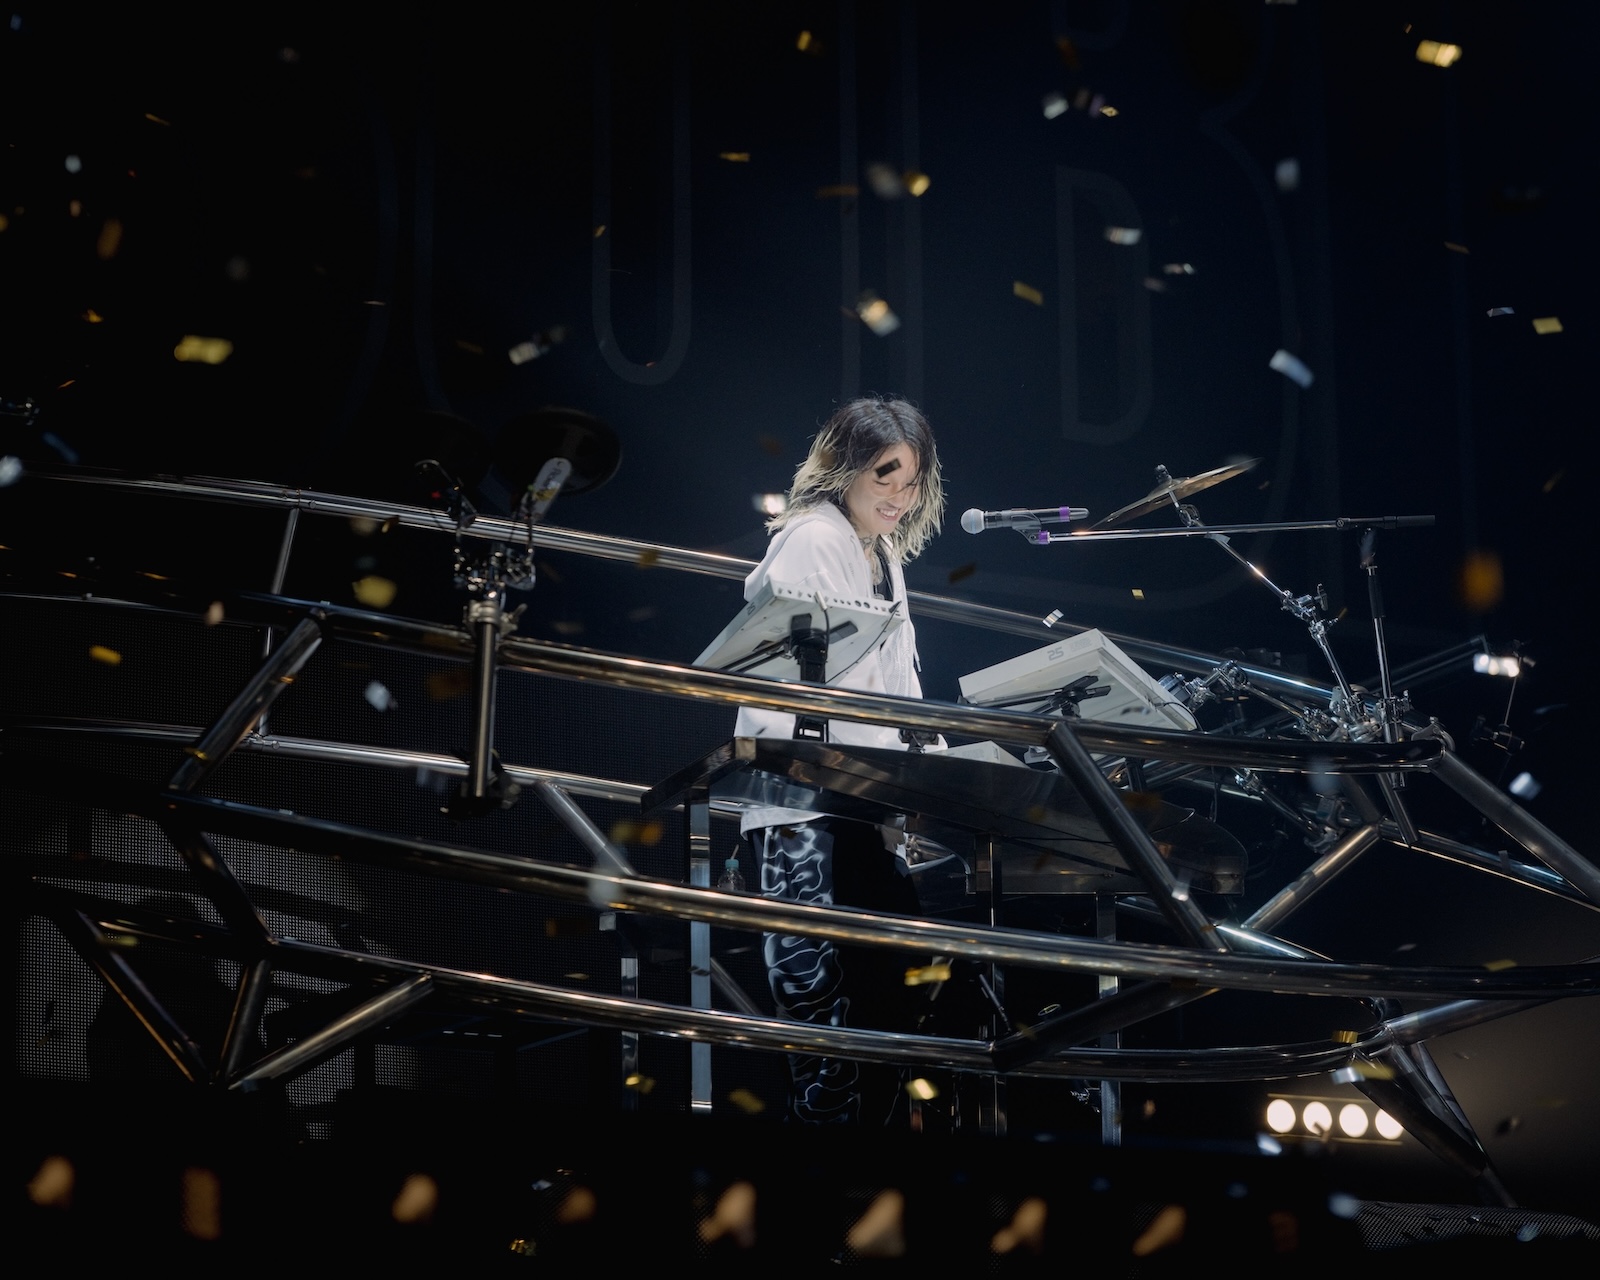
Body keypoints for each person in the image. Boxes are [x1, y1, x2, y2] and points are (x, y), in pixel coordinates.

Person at [731, 395, 947, 1127]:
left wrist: (937, 768)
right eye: (886, 475)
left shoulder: (883, 555)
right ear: (847, 466)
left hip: (860, 802)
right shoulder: (813, 537)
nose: (899, 497)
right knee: (827, 1025)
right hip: (804, 810)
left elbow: (901, 688)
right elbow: (801, 677)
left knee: (895, 989)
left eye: (911, 482)